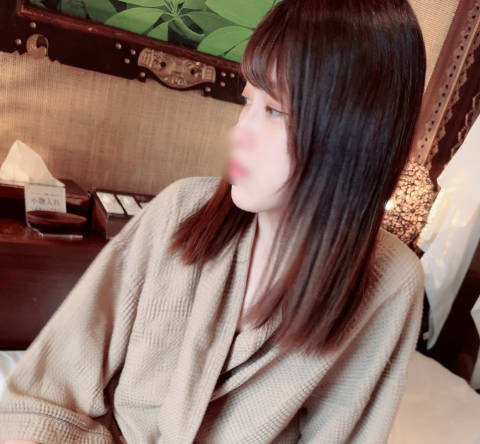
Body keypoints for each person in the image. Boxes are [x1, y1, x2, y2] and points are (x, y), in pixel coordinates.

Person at [0, 0, 426, 442]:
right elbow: (46, 392)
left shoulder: (390, 283)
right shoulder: (180, 209)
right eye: (247, 100)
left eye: (275, 110)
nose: (237, 132)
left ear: (356, 133)